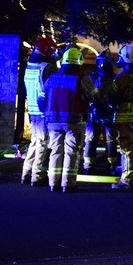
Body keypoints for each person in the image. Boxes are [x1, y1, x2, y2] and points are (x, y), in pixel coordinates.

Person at [42, 46, 98, 192]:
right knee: (72, 152)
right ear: (79, 61)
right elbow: (95, 96)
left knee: (55, 151)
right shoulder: (81, 79)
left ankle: (53, 183)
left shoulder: (52, 78)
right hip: (74, 121)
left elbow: (42, 97)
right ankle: (68, 183)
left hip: (53, 122)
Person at [20, 37, 59, 186]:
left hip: (33, 110)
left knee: (35, 142)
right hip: (43, 111)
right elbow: (50, 86)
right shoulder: (46, 67)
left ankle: (27, 173)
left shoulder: (31, 65)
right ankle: (38, 176)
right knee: (42, 143)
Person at [109, 43, 133, 190]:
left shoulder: (120, 78)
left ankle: (127, 179)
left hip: (125, 116)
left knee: (127, 148)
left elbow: (111, 98)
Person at [83, 49, 119, 174]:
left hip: (110, 113)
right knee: (91, 138)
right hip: (94, 113)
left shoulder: (115, 79)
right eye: (100, 62)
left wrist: (111, 106)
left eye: (105, 62)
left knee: (111, 138)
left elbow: (117, 95)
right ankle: (88, 164)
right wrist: (92, 106)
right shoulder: (91, 77)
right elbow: (86, 93)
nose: (102, 65)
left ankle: (111, 165)